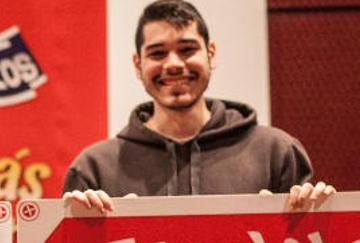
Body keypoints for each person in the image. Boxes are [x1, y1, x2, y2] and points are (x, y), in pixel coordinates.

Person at [62, 0, 334, 212]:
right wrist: (79, 227)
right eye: (158, 53)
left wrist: (319, 214)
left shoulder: (276, 152)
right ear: (138, 65)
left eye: (187, 49)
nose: (173, 64)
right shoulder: (93, 169)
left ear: (210, 54)